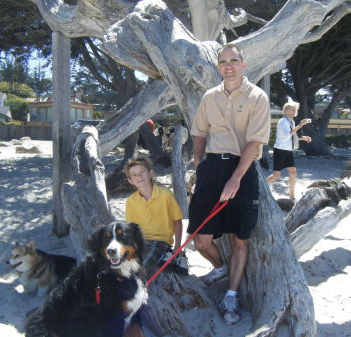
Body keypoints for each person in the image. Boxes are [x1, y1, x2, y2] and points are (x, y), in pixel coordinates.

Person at [188, 43, 270, 325]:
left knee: (239, 238)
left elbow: (255, 141)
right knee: (201, 240)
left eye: (233, 60)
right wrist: (199, 163)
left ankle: (231, 295)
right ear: (218, 66)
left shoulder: (258, 97)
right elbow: (199, 132)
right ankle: (219, 268)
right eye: (223, 62)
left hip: (243, 169)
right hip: (212, 167)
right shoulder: (209, 97)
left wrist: (236, 177)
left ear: (243, 64)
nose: (228, 66)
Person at [123, 157, 188, 277]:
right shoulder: (131, 201)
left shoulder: (165, 195)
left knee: (143, 266)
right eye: (134, 174)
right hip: (140, 241)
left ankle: (133, 284)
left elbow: (177, 222)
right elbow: (131, 228)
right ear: (130, 180)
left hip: (160, 241)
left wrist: (177, 248)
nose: (139, 177)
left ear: (150, 173)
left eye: (142, 172)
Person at [266, 101, 312, 200]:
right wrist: (300, 125)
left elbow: (290, 137)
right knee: (276, 176)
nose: (294, 111)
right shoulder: (283, 121)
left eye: (295, 109)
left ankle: (291, 195)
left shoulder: (291, 121)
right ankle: (261, 188)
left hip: (288, 150)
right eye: (292, 109)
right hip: (280, 150)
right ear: (286, 110)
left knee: (293, 172)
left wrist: (301, 138)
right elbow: (288, 134)